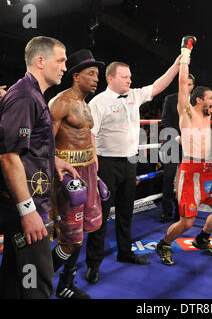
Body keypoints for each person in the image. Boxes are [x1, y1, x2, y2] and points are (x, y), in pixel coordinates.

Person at [85, 53, 182, 283]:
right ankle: (93, 263)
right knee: (101, 215)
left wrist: (177, 64)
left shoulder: (134, 96)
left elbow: (158, 85)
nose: (130, 80)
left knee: (126, 211)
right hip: (105, 163)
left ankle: (125, 253)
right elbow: (90, 134)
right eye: (125, 76)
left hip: (129, 162)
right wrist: (94, 166)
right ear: (111, 79)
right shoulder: (98, 102)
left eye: (130, 76)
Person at [0, 36, 78, 298]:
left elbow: (28, 147)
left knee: (14, 281)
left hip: (29, 203)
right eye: (61, 60)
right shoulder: (24, 96)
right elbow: (9, 156)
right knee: (38, 286)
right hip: (28, 206)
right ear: (40, 60)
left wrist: (52, 159)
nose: (65, 67)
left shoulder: (33, 94)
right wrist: (27, 211)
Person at [155, 35, 212, 266]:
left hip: (207, 172)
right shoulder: (187, 112)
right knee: (187, 222)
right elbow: (183, 83)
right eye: (210, 98)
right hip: (190, 172)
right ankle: (163, 244)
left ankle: (202, 239)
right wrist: (186, 52)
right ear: (199, 100)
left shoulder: (207, 112)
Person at [48, 49, 104, 298]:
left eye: (98, 75)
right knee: (70, 238)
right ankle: (39, 279)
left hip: (88, 172)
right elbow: (45, 143)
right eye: (91, 74)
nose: (96, 79)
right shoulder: (61, 102)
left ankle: (65, 284)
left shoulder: (85, 104)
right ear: (76, 75)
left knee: (81, 234)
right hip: (67, 174)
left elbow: (88, 139)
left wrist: (96, 170)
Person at [160, 73, 195, 222]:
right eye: (184, 84)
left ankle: (181, 211)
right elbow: (165, 120)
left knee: (187, 179)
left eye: (190, 84)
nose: (187, 87)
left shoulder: (197, 101)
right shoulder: (170, 99)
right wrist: (177, 137)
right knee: (168, 178)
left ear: (193, 86)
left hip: (190, 145)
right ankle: (166, 211)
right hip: (172, 143)